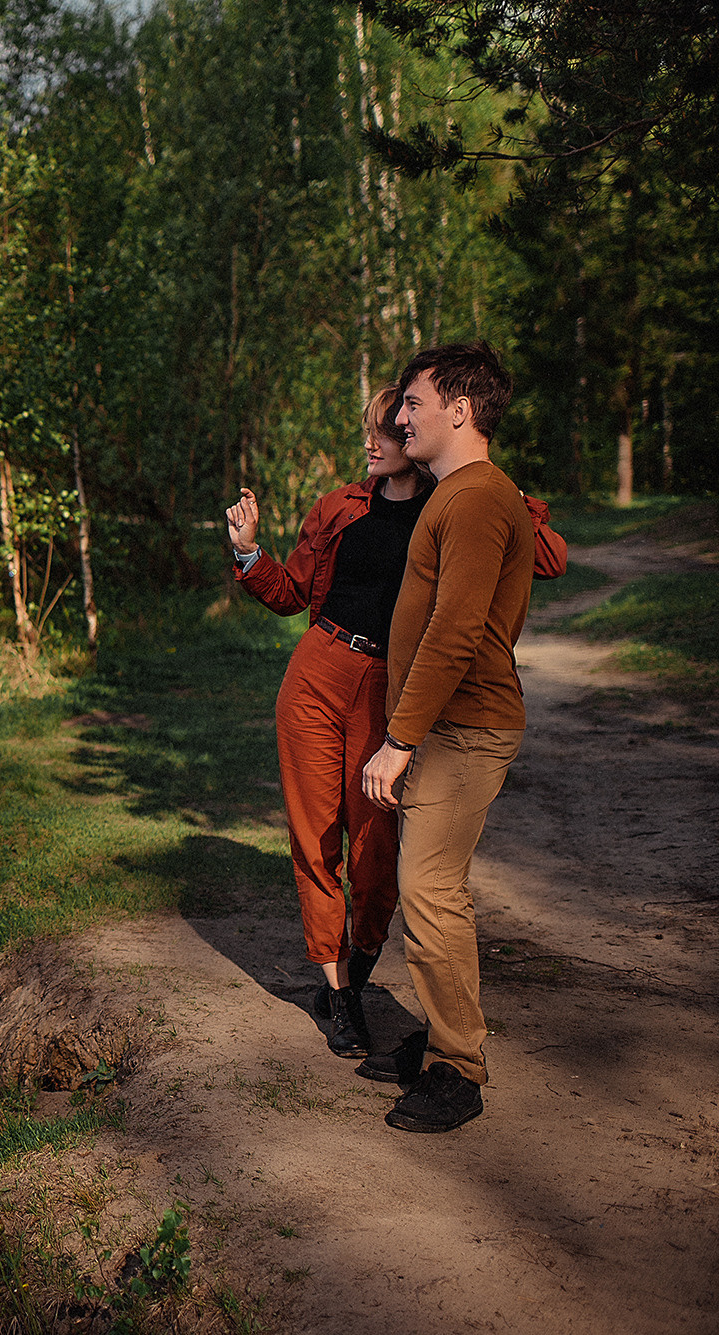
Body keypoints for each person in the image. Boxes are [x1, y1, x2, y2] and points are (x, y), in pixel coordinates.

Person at [227, 387, 566, 1064]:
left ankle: (358, 963)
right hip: (317, 672)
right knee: (314, 835)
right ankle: (338, 988)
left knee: (376, 851)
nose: (374, 442)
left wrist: (497, 483)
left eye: (386, 429)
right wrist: (248, 552)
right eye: (372, 430)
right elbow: (293, 593)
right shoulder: (339, 507)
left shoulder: (457, 501)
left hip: (392, 689)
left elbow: (550, 557)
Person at [359, 340, 537, 1134]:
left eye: (414, 404)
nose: (400, 416)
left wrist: (399, 738)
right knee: (427, 885)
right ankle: (440, 1034)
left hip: (463, 728)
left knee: (430, 890)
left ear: (459, 410)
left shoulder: (473, 499)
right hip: (448, 723)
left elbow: (459, 631)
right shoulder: (463, 493)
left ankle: (457, 1068)